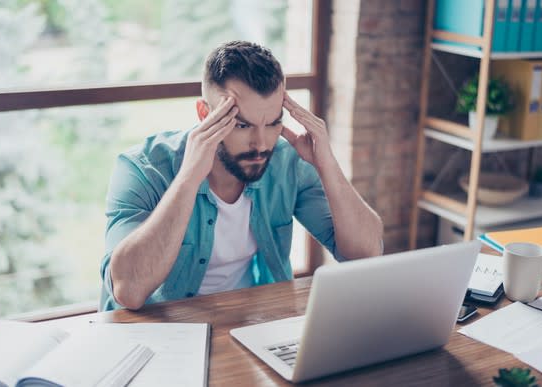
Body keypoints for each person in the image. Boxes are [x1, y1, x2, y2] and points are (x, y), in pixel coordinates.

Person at [100, 41, 383, 311]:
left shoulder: (286, 163)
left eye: (273, 123)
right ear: (204, 113)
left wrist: (327, 165)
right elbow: (129, 291)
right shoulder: (142, 168)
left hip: (246, 322)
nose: (261, 144)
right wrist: (188, 178)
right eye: (242, 125)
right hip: (162, 334)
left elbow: (366, 254)